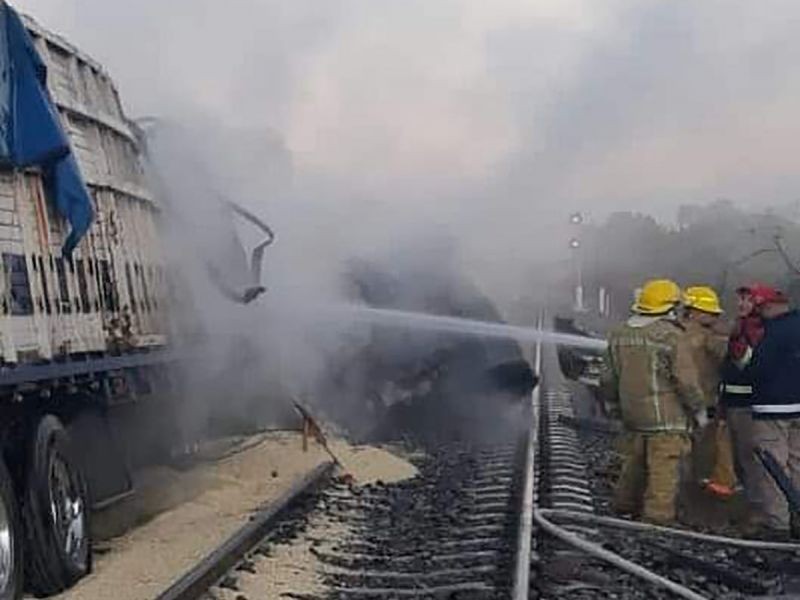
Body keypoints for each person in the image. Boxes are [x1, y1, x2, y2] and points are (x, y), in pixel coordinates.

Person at [600, 279, 707, 524]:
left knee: (634, 463)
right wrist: (698, 409)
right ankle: (657, 518)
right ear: (670, 307)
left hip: (633, 414)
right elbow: (686, 380)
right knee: (664, 468)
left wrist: (613, 405)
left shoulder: (620, 333)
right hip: (667, 418)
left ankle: (624, 505)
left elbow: (607, 376)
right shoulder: (670, 335)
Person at [748, 285, 800, 536]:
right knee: (798, 463)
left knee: (772, 466)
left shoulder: (771, 333)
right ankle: (798, 519)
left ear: (767, 306)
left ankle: (777, 524)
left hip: (772, 409)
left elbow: (757, 369)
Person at [681, 286, 733, 496]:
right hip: (705, 401)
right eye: (710, 312)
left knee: (679, 446)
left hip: (676, 400)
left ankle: (680, 487)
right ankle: (692, 488)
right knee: (702, 446)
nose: (714, 316)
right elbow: (732, 359)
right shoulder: (710, 338)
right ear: (694, 311)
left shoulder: (673, 333)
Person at [719, 285, 764, 514]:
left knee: (748, 458)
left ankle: (757, 506)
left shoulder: (757, 330)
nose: (741, 304)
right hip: (731, 402)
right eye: (740, 299)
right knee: (737, 458)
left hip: (748, 405)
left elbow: (747, 364)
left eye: (748, 300)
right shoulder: (737, 326)